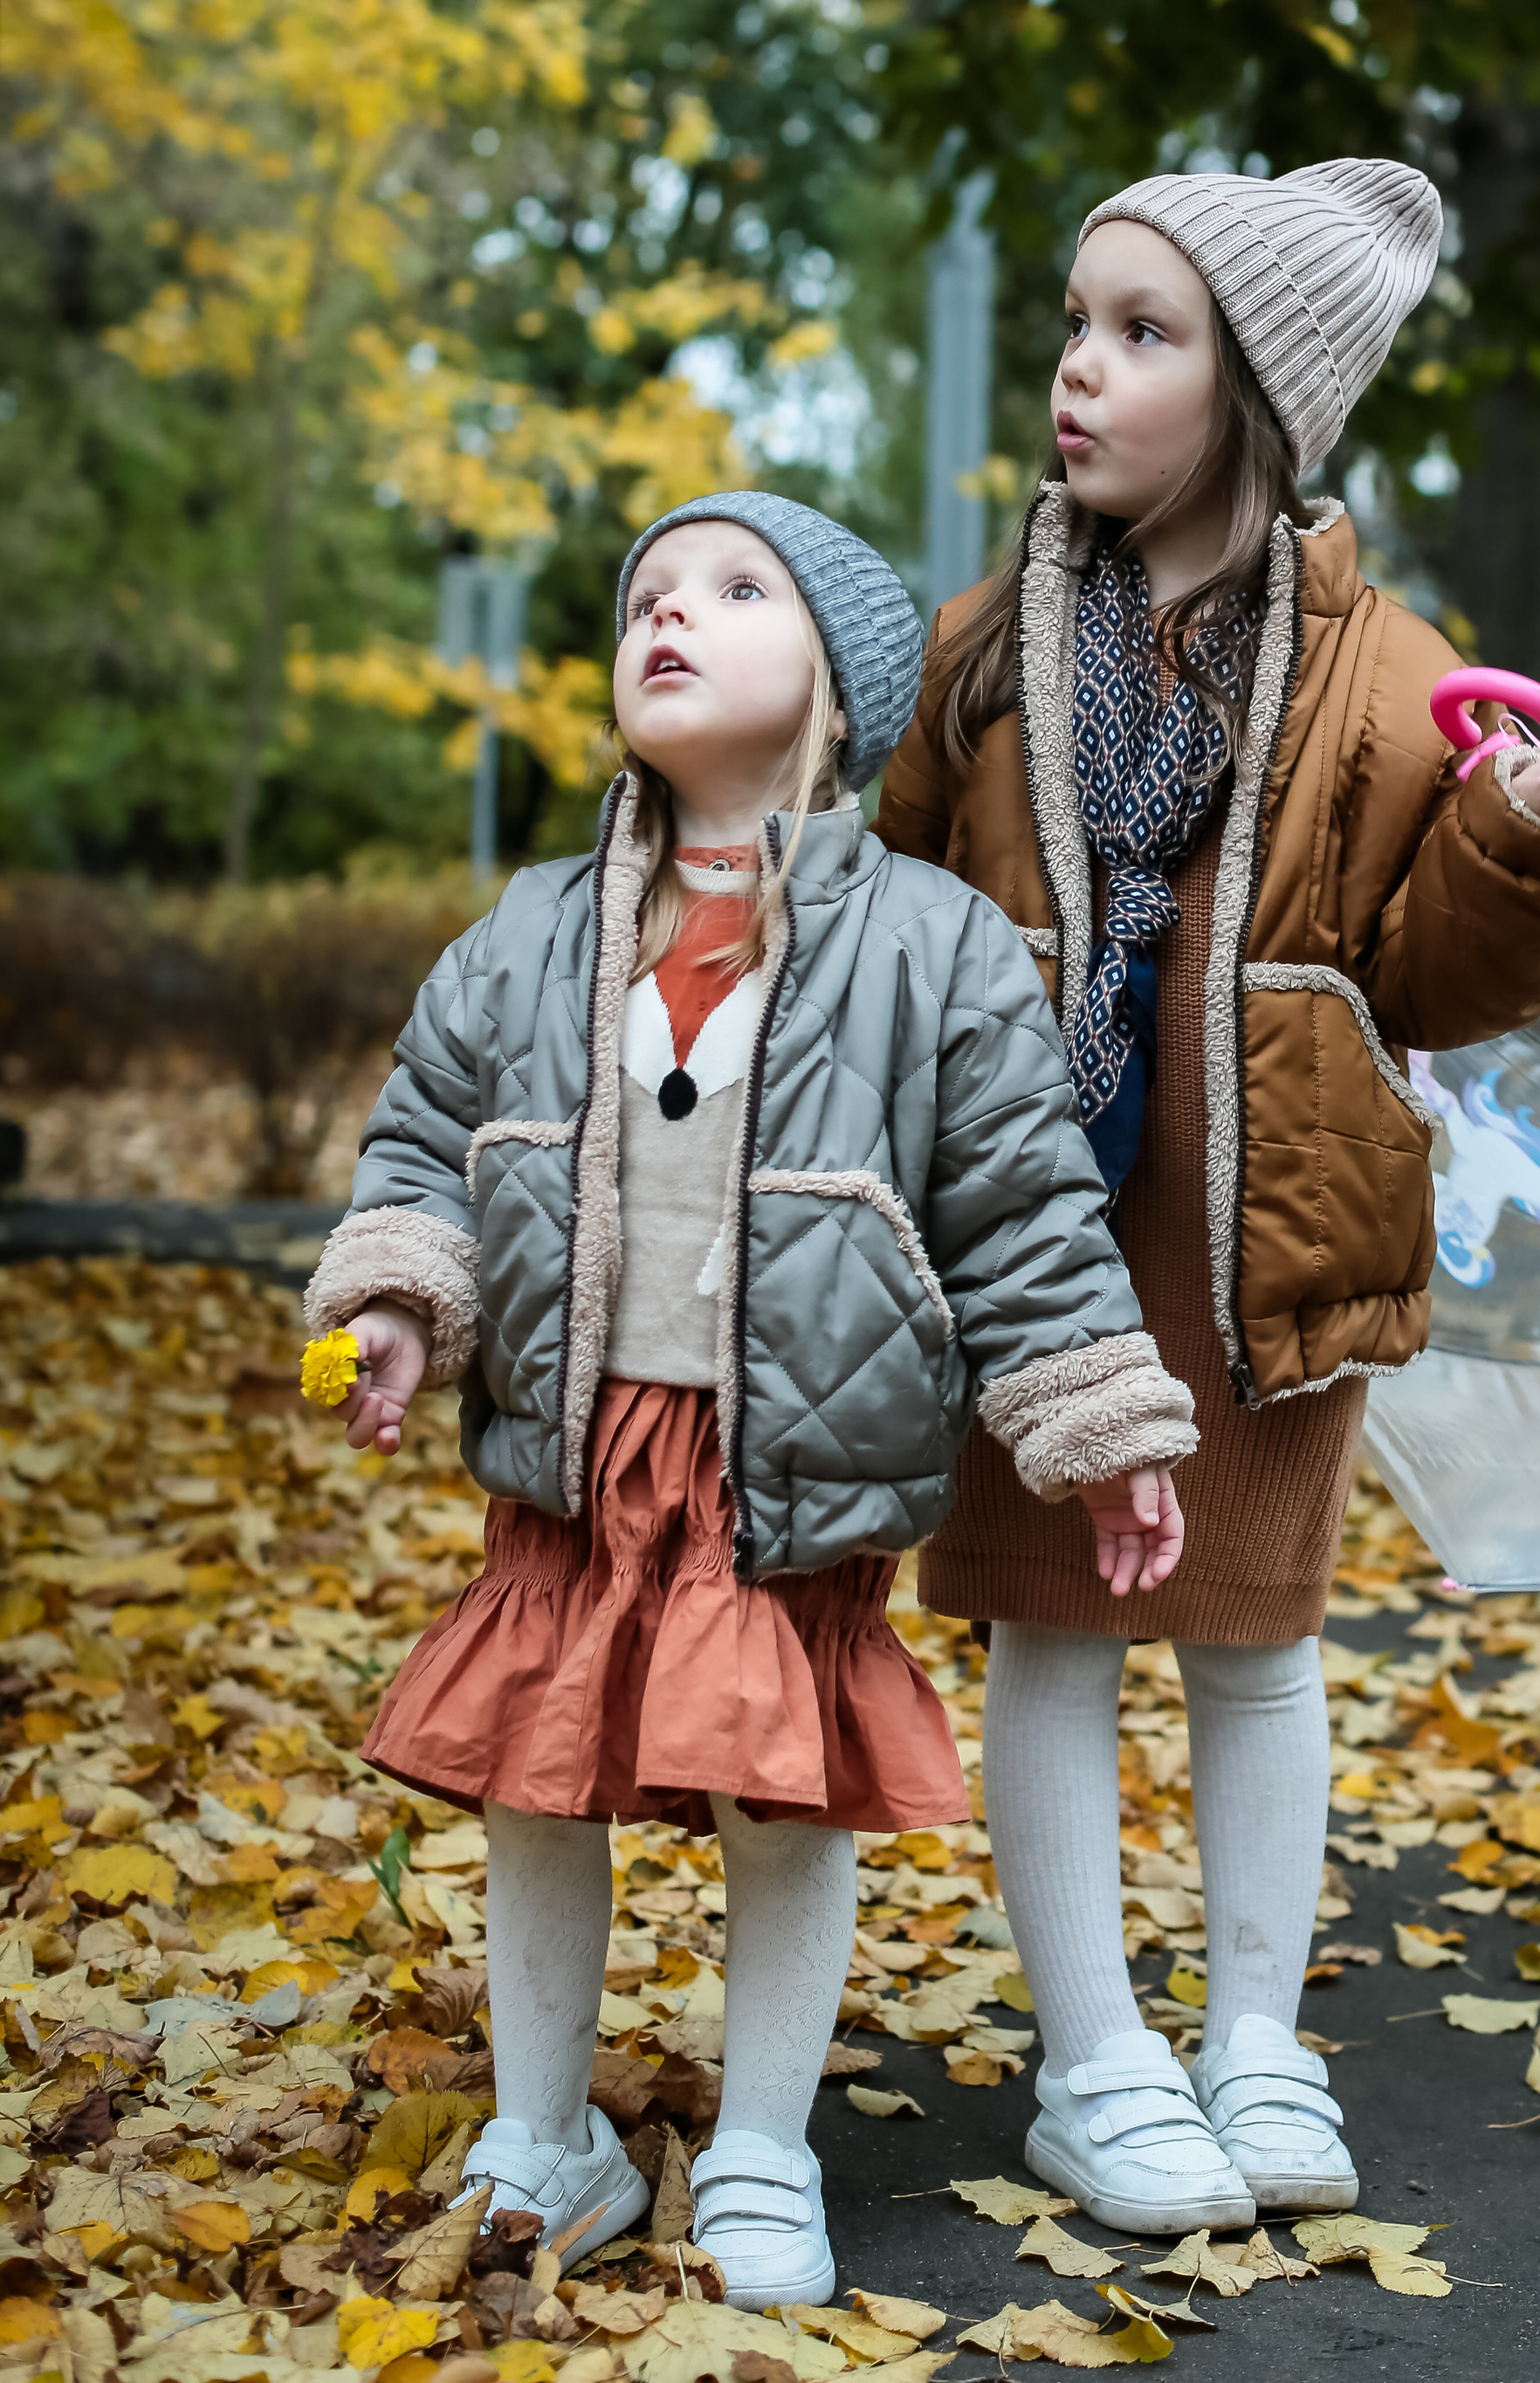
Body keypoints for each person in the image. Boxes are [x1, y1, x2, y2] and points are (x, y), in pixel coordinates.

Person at [300, 492, 1198, 2306]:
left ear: (840, 685)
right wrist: (401, 1300)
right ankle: (545, 2133)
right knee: (537, 1783)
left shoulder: (932, 946)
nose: (668, 616)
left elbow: (1019, 1210)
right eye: (644, 596)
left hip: (788, 1455)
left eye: (729, 590)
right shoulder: (534, 929)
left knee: (780, 1792)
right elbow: (425, 1134)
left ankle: (766, 2148)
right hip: (576, 1452)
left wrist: (1098, 1431)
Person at [877, 158, 1540, 2234]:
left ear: (1257, 396)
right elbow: (893, 917)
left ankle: (1247, 2040)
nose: (1078, 368)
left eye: (1143, 334)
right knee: (1052, 1632)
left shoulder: (1395, 682)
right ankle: (1095, 2057)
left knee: (1251, 1645)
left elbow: (1429, 987)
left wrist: (1529, 842)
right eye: (1073, 321)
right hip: (1040, 1237)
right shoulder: (985, 653)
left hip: (1267, 1242)